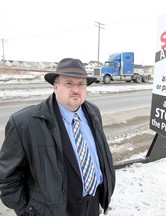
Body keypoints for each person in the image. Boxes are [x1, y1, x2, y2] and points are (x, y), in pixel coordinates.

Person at [0, 58, 115, 216]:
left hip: (93, 204)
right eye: (69, 83)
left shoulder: (93, 112)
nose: (76, 89)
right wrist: (27, 212)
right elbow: (7, 179)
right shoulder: (24, 123)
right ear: (55, 87)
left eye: (81, 84)